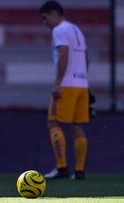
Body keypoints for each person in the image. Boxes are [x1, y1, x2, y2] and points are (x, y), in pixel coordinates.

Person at [40, 1, 90, 180]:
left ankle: (62, 168)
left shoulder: (59, 30)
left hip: (67, 85)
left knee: (54, 123)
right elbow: (85, 56)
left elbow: (64, 54)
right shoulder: (76, 30)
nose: (44, 22)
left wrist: (59, 82)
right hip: (82, 85)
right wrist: (85, 81)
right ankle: (79, 171)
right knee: (78, 126)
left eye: (45, 18)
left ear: (54, 14)